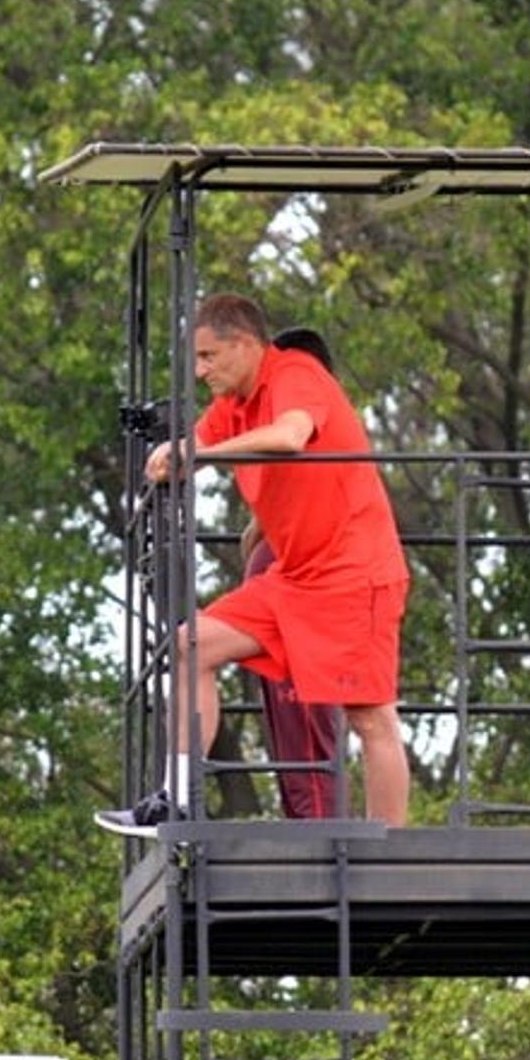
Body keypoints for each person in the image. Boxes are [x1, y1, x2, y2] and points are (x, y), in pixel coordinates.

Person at [97, 296, 412, 833]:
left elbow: (290, 437)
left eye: (207, 356)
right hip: (294, 578)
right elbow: (196, 443)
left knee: (371, 716)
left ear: (245, 345)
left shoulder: (294, 372)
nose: (199, 372)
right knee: (190, 645)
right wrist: (172, 453)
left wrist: (198, 456)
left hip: (356, 573)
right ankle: (174, 801)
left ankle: (391, 855)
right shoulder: (233, 404)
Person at [243, 327, 344, 820]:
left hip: (300, 584)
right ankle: (308, 822)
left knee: (306, 714)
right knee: (288, 719)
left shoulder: (319, 428)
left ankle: (318, 826)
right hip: (276, 582)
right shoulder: (293, 433)